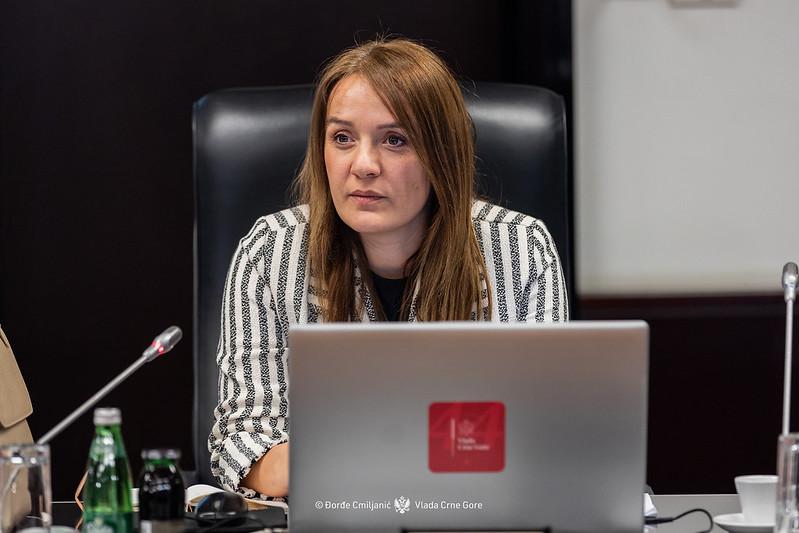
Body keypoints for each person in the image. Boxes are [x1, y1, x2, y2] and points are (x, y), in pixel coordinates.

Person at [208, 37, 569, 499]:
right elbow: (242, 443)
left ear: (442, 155)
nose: (363, 165)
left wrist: (352, 453)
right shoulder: (271, 251)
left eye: (395, 140)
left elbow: (542, 438)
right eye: (342, 138)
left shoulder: (520, 249)